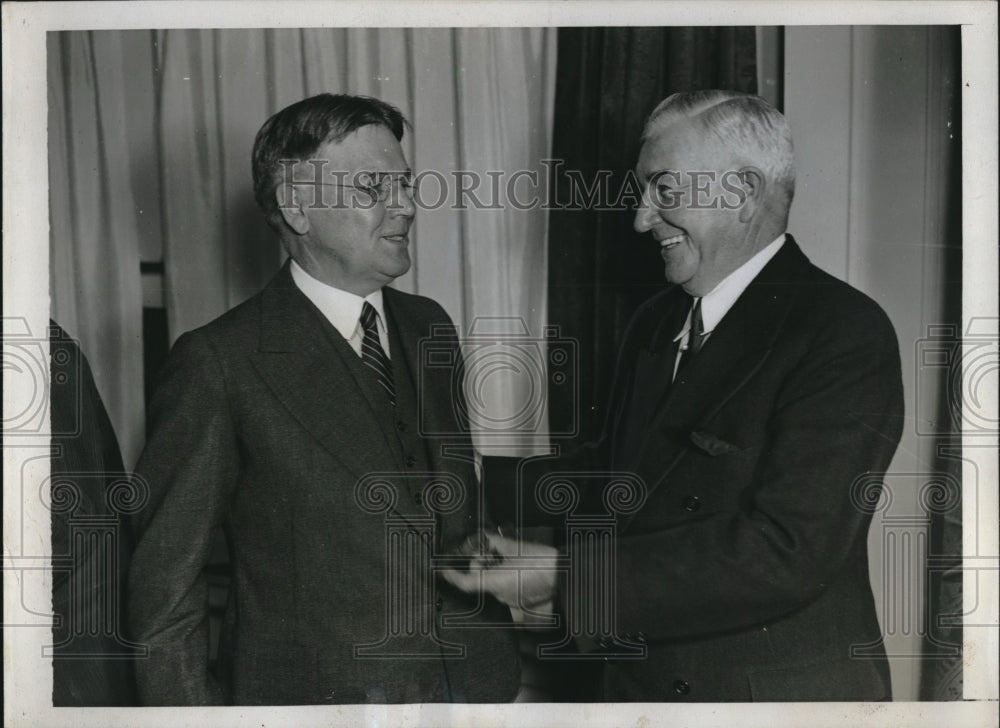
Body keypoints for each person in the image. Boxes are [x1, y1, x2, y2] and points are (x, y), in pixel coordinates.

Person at [445, 90, 904, 702]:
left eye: (663, 189)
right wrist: (473, 481)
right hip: (646, 685)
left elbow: (786, 552)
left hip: (770, 698)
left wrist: (564, 577)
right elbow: (624, 473)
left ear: (740, 194)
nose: (640, 218)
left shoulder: (842, 329)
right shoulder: (658, 323)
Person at [127, 93, 520, 705]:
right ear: (298, 209)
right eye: (374, 188)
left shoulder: (429, 326)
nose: (408, 207)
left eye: (406, 184)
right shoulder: (219, 362)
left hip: (473, 686)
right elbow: (164, 592)